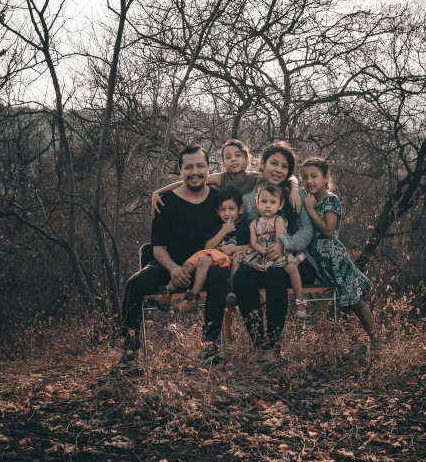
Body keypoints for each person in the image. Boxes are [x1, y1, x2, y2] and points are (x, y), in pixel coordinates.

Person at [115, 145, 228, 371]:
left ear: (208, 169)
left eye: (200, 166)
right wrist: (174, 268)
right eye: (188, 167)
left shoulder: (219, 199)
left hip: (204, 266)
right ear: (180, 171)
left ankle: (210, 348)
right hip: (169, 266)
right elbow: (157, 248)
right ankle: (129, 353)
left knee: (218, 275)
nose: (194, 171)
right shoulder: (165, 203)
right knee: (134, 284)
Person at [234, 141, 319, 362]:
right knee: (242, 276)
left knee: (276, 276)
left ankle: (273, 345)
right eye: (273, 163)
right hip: (259, 256)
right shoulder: (249, 199)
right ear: (262, 165)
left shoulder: (297, 194)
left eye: (284, 166)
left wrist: (284, 243)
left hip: (294, 261)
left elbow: (307, 231)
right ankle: (258, 344)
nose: (278, 170)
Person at [301, 157, 384, 353]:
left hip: (334, 258)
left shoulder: (330, 200)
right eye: (304, 177)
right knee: (343, 302)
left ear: (325, 177)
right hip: (319, 261)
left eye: (314, 176)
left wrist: (311, 210)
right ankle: (356, 343)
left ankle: (377, 341)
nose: (309, 181)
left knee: (354, 300)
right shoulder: (307, 199)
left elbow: (328, 231)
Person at [151, 138, 302, 215]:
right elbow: (188, 182)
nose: (233, 159)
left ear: (246, 159)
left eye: (237, 155)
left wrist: (294, 190)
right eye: (228, 157)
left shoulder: (255, 177)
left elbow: (288, 177)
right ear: (223, 162)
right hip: (226, 220)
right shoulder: (220, 178)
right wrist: (159, 192)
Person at [232, 183, 307, 319]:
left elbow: (279, 240)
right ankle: (232, 291)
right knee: (237, 259)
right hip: (261, 253)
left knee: (291, 267)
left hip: (276, 251)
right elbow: (254, 242)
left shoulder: (278, 220)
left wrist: (270, 253)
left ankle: (300, 301)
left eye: (273, 202)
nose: (267, 205)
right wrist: (262, 250)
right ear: (257, 202)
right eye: (264, 201)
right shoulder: (253, 224)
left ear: (280, 205)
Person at [174, 187, 251, 313]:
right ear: (217, 211)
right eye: (222, 210)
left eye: (231, 209)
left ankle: (192, 298)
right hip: (217, 264)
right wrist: (223, 231)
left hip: (235, 263)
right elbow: (208, 247)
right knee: (192, 262)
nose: (227, 214)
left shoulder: (246, 225)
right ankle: (168, 291)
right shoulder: (218, 228)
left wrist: (234, 248)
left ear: (240, 209)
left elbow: (253, 246)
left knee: (204, 260)